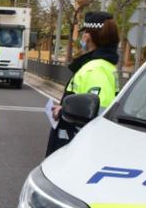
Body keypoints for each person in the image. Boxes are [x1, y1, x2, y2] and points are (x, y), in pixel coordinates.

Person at [45, 11, 120, 155]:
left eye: (84, 32)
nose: (82, 37)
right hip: (76, 143)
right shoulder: (103, 65)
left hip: (75, 145)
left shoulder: (96, 69)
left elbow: (97, 111)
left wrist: (63, 111)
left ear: (88, 36)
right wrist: (63, 108)